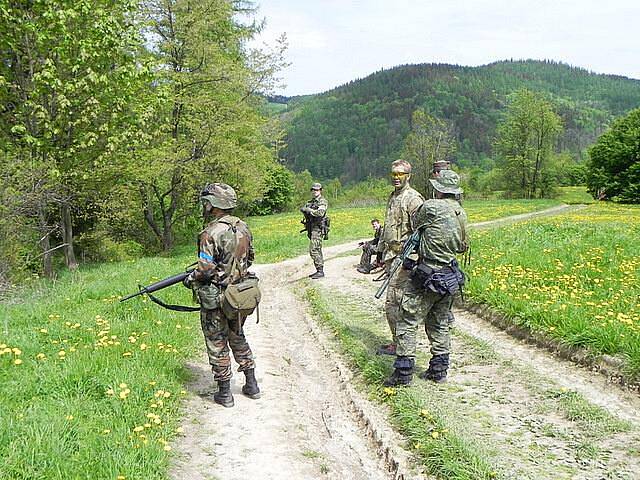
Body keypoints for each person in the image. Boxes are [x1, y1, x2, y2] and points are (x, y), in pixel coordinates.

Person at [383, 170, 468, 386]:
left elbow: (416, 221)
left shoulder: (430, 206)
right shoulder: (460, 212)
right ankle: (438, 371)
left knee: (407, 320)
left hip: (427, 275)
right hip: (450, 276)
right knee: (439, 323)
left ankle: (403, 374)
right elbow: (462, 246)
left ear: (438, 189)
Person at [183, 183, 260, 408]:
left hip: (216, 297)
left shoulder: (209, 233)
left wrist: (191, 278)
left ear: (213, 205)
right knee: (237, 335)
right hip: (239, 295)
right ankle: (252, 385)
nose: (204, 206)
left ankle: (225, 393)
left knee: (217, 342)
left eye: (206, 202)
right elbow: (250, 258)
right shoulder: (243, 227)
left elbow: (205, 269)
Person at [377, 160, 424, 356]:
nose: (396, 177)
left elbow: (421, 232)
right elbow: (388, 227)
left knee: (396, 303)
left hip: (404, 258)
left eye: (400, 174)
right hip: (391, 255)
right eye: (394, 174)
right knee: (392, 303)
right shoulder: (393, 197)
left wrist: (411, 259)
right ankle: (398, 342)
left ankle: (402, 346)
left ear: (408, 176)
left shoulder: (413, 199)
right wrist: (380, 252)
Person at [300, 182, 328, 279]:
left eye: (317, 190)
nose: (315, 191)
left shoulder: (322, 201)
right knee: (317, 249)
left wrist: (310, 211)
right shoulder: (311, 202)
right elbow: (304, 208)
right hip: (311, 228)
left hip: (318, 228)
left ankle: (320, 271)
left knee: (314, 249)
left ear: (320, 190)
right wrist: (304, 210)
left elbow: (320, 212)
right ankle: (319, 270)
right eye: (314, 190)